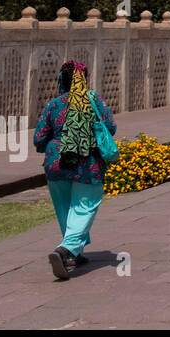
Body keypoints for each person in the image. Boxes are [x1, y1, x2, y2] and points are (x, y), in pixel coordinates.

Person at [34, 60, 117, 280]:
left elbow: (39, 137)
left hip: (56, 163)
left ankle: (74, 252)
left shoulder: (53, 104)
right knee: (84, 206)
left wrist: (55, 145)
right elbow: (110, 127)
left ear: (61, 79)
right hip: (87, 163)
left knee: (65, 208)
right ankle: (66, 250)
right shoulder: (94, 100)